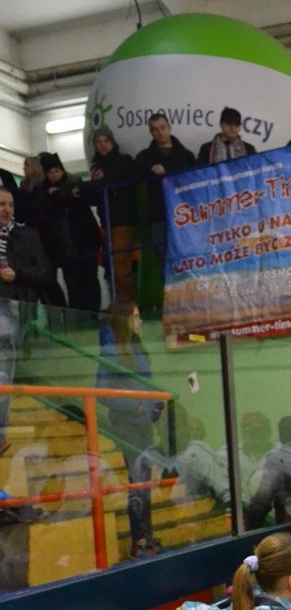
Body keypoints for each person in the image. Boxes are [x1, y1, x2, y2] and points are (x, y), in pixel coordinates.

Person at [96, 299, 162, 558]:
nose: (140, 321)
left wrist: (156, 402)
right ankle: (139, 540)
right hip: (127, 424)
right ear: (125, 319)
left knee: (145, 481)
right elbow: (102, 392)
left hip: (144, 423)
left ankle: (147, 535)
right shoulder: (112, 349)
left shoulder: (135, 346)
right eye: (135, 316)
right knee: (138, 482)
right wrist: (134, 406)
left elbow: (145, 382)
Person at [0, 187, 52, 451]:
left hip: (15, 308)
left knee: (4, 372)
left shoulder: (27, 235)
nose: (6, 209)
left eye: (9, 204)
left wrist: (16, 274)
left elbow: (44, 273)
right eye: (1, 204)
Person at [39, 153, 102, 314]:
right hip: (66, 245)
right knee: (73, 282)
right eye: (50, 172)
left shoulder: (75, 186)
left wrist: (59, 193)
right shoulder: (45, 193)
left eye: (56, 171)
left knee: (88, 278)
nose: (54, 175)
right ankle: (79, 314)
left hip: (84, 241)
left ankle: (91, 312)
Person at [134, 111, 196, 276]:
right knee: (165, 261)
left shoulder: (186, 156)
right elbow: (134, 174)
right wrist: (149, 169)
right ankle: (170, 300)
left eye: (162, 128)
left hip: (184, 216)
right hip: (159, 216)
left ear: (169, 127)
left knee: (189, 258)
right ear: (151, 132)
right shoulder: (144, 158)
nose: (159, 132)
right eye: (155, 129)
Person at [83, 127, 138, 301]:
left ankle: (129, 303)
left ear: (112, 142)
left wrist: (96, 183)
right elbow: (93, 197)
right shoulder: (96, 168)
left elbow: (113, 180)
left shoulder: (124, 161)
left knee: (119, 265)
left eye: (105, 141)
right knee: (112, 267)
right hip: (107, 221)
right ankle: (120, 301)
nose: (103, 145)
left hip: (123, 219)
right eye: (98, 142)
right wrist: (94, 184)